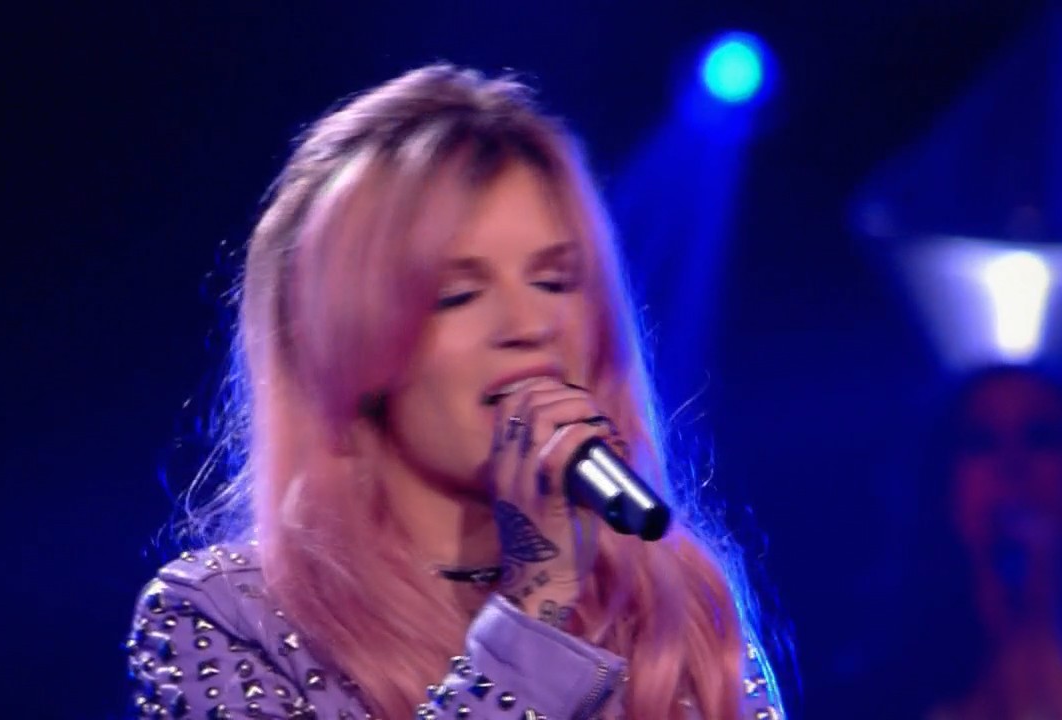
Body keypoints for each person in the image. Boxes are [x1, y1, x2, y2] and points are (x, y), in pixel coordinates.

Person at [126, 64, 784, 720]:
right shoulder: (223, 617)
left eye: (555, 283)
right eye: (459, 294)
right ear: (338, 346)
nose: (530, 326)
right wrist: (534, 607)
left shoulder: (678, 616)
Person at [875, 364, 1062, 719]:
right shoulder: (877, 691)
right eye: (982, 442)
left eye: (1039, 437)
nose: (1012, 465)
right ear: (940, 483)